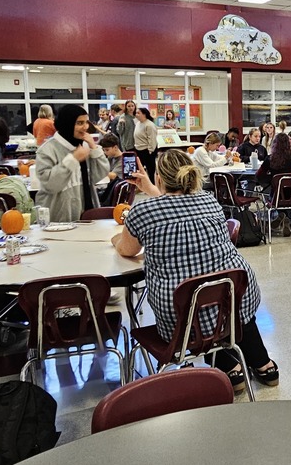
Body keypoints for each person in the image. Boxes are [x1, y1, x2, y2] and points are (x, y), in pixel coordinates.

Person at [113, 150, 278, 392]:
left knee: (197, 310)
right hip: (236, 294)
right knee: (221, 303)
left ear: (159, 178)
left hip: (181, 315)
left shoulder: (142, 212)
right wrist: (151, 188)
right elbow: (178, 206)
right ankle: (264, 365)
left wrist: (116, 240)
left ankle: (231, 369)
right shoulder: (209, 201)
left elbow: (127, 250)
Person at [36, 105, 110, 221]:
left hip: (87, 216)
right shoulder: (47, 150)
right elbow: (50, 185)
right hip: (58, 220)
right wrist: (72, 159)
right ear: (67, 124)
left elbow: (98, 176)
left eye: (86, 122)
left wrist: (94, 148)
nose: (85, 127)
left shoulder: (84, 145)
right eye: (80, 123)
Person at [98, 132, 124, 206]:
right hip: (109, 187)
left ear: (115, 147)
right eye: (103, 150)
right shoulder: (111, 158)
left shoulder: (122, 160)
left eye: (107, 150)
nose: (105, 152)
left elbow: (112, 175)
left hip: (113, 192)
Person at [134, 106, 157, 182]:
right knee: (139, 169)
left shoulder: (149, 125)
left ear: (144, 114)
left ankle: (152, 185)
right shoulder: (138, 123)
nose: (136, 114)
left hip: (147, 151)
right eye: (136, 113)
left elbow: (152, 139)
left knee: (150, 171)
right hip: (139, 149)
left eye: (138, 113)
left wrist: (150, 151)